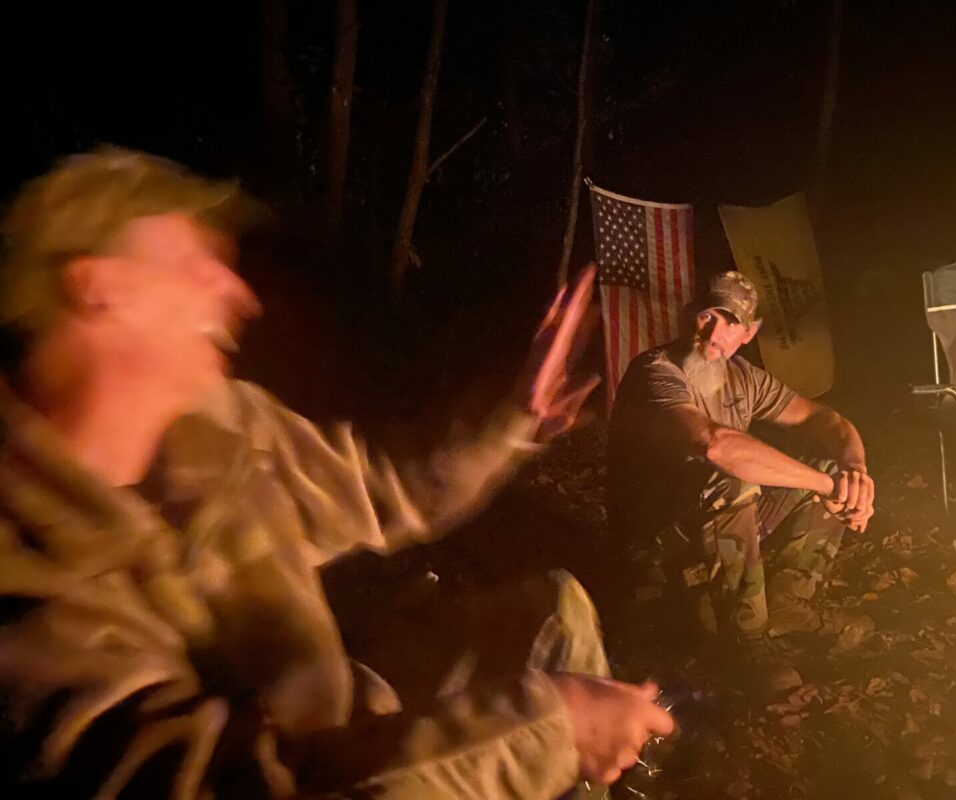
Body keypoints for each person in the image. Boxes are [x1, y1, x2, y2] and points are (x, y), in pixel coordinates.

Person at [0, 148, 674, 799]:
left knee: (551, 615)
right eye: (190, 262)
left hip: (334, 719)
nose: (235, 291)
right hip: (304, 771)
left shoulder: (224, 434)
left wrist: (506, 424)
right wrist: (551, 729)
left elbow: (379, 489)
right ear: (100, 288)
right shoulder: (30, 586)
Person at [606, 270, 875, 692]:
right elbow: (715, 445)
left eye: (731, 323)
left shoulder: (744, 377)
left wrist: (856, 474)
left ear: (748, 333)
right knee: (735, 482)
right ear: (689, 315)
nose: (715, 333)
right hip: (657, 543)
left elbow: (828, 421)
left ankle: (786, 604)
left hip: (710, 529)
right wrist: (828, 488)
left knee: (826, 470)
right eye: (707, 316)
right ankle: (745, 641)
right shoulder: (655, 373)